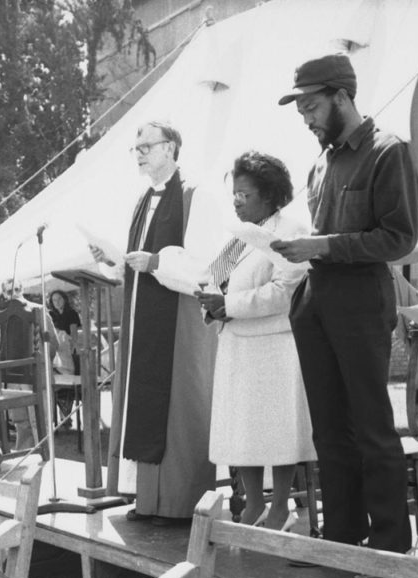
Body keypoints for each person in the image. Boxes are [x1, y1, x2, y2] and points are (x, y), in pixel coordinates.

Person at [272, 53, 418, 578]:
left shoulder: (390, 152)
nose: (307, 118)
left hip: (361, 301)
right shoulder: (321, 164)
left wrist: (323, 244)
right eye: (301, 111)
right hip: (316, 301)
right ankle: (340, 536)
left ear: (342, 96)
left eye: (312, 106)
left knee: (371, 426)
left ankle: (387, 550)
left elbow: (399, 237)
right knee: (329, 429)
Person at [99, 120, 218, 525]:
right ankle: (147, 499)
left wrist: (155, 263)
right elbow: (140, 261)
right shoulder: (143, 199)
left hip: (179, 321)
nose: (140, 154)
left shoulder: (194, 196)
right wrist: (117, 264)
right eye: (136, 149)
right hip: (144, 317)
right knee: (142, 404)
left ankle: (181, 502)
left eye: (146, 146)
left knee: (179, 405)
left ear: (170, 148)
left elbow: (205, 267)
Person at [194, 152, 316, 530]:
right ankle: (252, 502)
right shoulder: (236, 237)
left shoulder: (291, 229)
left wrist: (228, 304)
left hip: (274, 345)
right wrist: (211, 303)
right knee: (240, 430)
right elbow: (212, 279)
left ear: (269, 194)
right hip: (237, 344)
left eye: (244, 194)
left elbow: (285, 291)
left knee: (277, 430)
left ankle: (280, 505)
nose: (236, 201)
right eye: (234, 193)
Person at [0, 279, 58, 450]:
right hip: (15, 375)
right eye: (8, 291)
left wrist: (42, 365)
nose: (13, 294)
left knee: (41, 420)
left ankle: (45, 456)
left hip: (37, 372)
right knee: (20, 421)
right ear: (4, 294)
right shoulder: (3, 314)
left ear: (22, 290)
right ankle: (24, 457)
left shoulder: (38, 310)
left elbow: (52, 343)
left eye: (16, 289)